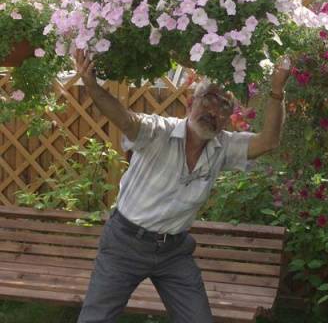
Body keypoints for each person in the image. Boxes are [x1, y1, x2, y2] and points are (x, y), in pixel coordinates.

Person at [75, 50, 290, 323]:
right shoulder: (159, 132)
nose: (214, 111)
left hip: (173, 252)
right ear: (191, 102)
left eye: (225, 106)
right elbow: (125, 119)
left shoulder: (223, 147)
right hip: (125, 244)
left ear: (228, 118)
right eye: (209, 99)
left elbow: (269, 141)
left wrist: (277, 90)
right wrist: (92, 85)